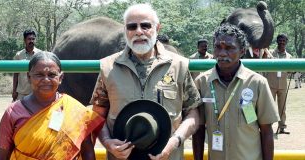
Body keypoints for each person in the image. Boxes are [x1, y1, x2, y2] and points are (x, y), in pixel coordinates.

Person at [90, 3, 201, 160]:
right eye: (132, 27)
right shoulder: (108, 68)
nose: (139, 31)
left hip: (168, 156)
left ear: (158, 28)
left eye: (145, 25)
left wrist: (174, 142)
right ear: (125, 31)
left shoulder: (178, 66)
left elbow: (193, 113)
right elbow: (97, 114)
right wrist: (107, 142)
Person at [192, 24, 279, 160]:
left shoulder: (257, 83)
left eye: (229, 48)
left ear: (242, 51)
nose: (222, 53)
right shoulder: (202, 82)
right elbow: (198, 130)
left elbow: (266, 131)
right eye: (217, 47)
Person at [0, 52, 104, 160]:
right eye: (39, 75)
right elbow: (2, 156)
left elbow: (88, 152)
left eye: (52, 75)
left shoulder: (75, 110)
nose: (46, 80)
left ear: (60, 78)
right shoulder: (13, 113)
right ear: (29, 77)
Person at [265, 34, 292, 134]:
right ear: (277, 41)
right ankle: (268, 127)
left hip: (283, 86)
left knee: (282, 107)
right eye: (280, 40)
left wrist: (292, 70)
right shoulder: (270, 53)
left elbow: (290, 70)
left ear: (286, 42)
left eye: (284, 40)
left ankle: (282, 127)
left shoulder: (289, 57)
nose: (282, 42)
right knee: (270, 107)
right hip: (271, 84)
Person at [12, 29, 42, 101]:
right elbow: (15, 74)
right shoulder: (18, 55)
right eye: (29, 39)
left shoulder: (40, 54)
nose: (31, 41)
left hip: (36, 92)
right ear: (24, 40)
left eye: (33, 39)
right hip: (21, 93)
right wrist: (14, 91)